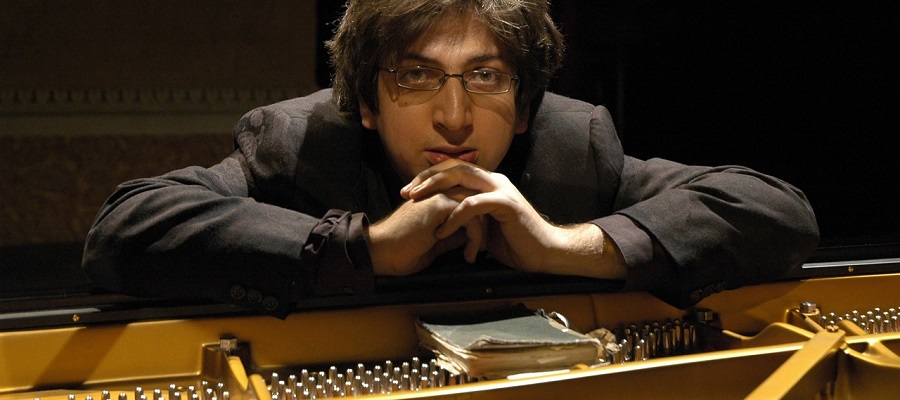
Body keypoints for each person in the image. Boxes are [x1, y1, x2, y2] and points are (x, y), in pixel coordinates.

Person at [82, 0, 819, 318]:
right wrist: (366, 247)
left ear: (524, 106)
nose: (456, 116)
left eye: (486, 76)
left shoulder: (573, 146)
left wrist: (565, 245)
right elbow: (126, 228)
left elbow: (775, 209)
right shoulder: (299, 143)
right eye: (416, 76)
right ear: (366, 102)